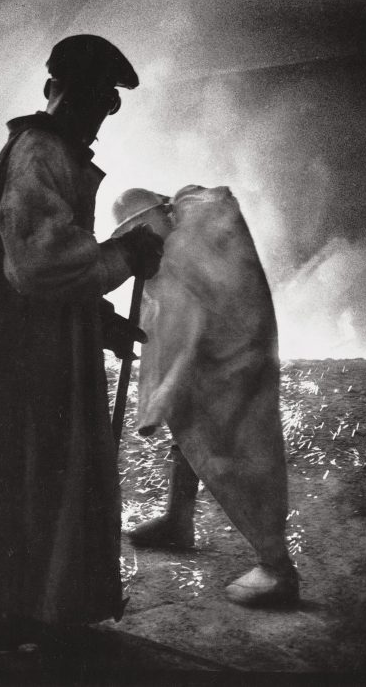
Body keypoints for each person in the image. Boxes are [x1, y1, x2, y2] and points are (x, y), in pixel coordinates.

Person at [0, 34, 164, 668]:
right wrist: (124, 256)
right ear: (51, 92)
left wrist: (99, 320)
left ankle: (23, 620)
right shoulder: (38, 154)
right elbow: (39, 263)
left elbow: (48, 272)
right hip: (22, 372)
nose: (93, 115)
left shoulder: (53, 155)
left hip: (44, 360)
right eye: (86, 98)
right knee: (16, 499)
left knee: (41, 497)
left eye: (102, 104)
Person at [111, 186, 300, 608]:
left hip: (234, 356)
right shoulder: (196, 208)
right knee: (194, 432)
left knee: (240, 452)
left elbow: (177, 336)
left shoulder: (181, 252)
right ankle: (179, 521)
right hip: (227, 346)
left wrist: (156, 401)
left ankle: (277, 567)